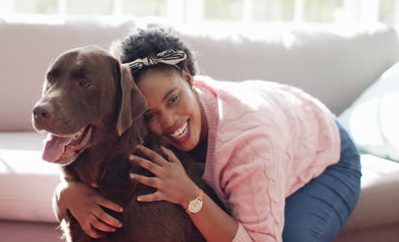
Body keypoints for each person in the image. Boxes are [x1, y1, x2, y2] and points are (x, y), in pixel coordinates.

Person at [53, 28, 362, 242]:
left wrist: (189, 195)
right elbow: (96, 155)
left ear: (189, 79)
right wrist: (64, 195)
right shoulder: (137, 118)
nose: (169, 121)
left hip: (325, 153)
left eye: (173, 99)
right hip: (277, 113)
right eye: (150, 114)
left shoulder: (252, 141)